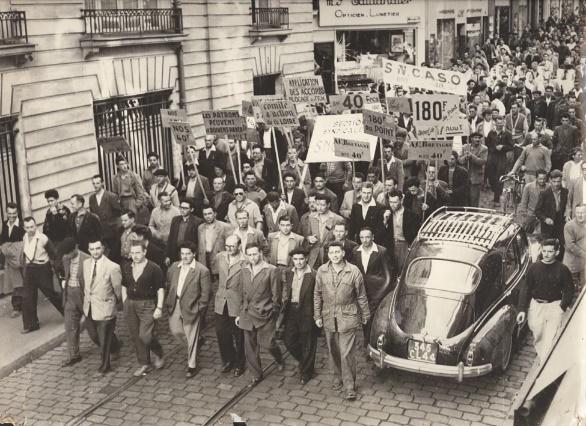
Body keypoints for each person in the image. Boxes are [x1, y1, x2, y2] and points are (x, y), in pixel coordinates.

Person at [314, 241, 370, 401]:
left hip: (348, 316)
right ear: (328, 254)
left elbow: (361, 295)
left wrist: (365, 314)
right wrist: (317, 316)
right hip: (328, 315)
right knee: (333, 350)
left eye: (337, 252)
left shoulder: (353, 271)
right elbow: (317, 295)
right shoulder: (322, 271)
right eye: (331, 253)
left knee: (346, 353)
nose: (334, 255)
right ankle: (337, 377)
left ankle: (349, 386)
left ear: (343, 253)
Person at [60, 238, 114, 367]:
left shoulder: (88, 260)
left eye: (69, 253)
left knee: (94, 331)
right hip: (70, 296)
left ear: (76, 247)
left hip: (85, 297)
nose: (67, 256)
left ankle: (113, 345)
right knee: (70, 326)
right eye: (66, 254)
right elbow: (65, 273)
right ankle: (74, 355)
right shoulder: (65, 258)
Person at [518, 238, 573, 363]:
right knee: (538, 334)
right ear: (541, 251)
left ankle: (544, 363)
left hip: (554, 306)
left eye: (550, 251)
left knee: (551, 337)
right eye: (544, 251)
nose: (547, 254)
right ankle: (543, 357)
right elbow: (525, 289)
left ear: (557, 252)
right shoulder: (533, 268)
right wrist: (522, 310)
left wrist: (562, 307)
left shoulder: (562, 269)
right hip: (536, 307)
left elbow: (569, 289)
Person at [236, 243, 284, 384]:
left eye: (255, 254)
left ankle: (278, 357)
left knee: (268, 343)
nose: (252, 257)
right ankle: (256, 374)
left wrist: (273, 312)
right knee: (249, 346)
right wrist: (240, 312)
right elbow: (241, 292)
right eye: (249, 254)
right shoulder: (244, 270)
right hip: (247, 312)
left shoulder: (271, 270)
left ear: (261, 253)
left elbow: (276, 295)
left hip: (265, 313)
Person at [166, 241, 211, 378]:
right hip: (175, 303)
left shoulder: (201, 270)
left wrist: (199, 308)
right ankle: (197, 343)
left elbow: (206, 294)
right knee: (176, 331)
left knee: (191, 336)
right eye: (182, 253)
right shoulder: (174, 267)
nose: (184, 257)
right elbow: (169, 283)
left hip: (191, 307)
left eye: (188, 254)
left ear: (194, 254)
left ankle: (192, 365)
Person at [122, 241, 166, 377]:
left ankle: (159, 353)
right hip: (130, 304)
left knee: (145, 335)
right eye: (132, 253)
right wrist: (125, 301)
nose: (135, 256)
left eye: (138, 252)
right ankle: (144, 363)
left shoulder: (154, 268)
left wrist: (159, 307)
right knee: (136, 336)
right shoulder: (127, 267)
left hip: (147, 304)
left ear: (145, 252)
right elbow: (124, 285)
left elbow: (160, 289)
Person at [81, 238, 122, 373]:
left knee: (104, 337)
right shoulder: (86, 264)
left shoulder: (112, 267)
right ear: (88, 250)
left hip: (105, 306)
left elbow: (117, 289)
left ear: (103, 249)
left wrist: (115, 302)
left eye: (98, 248)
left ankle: (105, 365)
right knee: (94, 335)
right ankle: (115, 346)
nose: (95, 252)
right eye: (92, 249)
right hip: (90, 307)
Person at [21, 216, 63, 333]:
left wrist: (56, 269)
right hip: (30, 269)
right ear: (24, 228)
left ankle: (70, 313)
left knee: (51, 293)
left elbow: (54, 254)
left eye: (32, 226)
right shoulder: (24, 237)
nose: (31, 229)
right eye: (28, 227)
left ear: (36, 226)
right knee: (28, 296)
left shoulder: (43, 238)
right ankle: (32, 324)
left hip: (42, 269)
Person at [282, 248, 318, 384]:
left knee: (308, 342)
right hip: (292, 310)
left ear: (307, 258)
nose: (298, 262)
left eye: (301, 259)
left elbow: (318, 296)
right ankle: (304, 360)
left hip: (307, 312)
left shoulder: (314, 275)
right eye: (295, 259)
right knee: (289, 340)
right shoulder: (288, 273)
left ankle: (306, 372)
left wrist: (316, 315)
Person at [352, 228, 391, 350]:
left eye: (367, 237)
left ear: (373, 237)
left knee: (373, 318)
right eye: (362, 237)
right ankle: (367, 341)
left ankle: (371, 344)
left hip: (377, 291)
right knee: (365, 316)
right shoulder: (355, 251)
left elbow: (389, 276)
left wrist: (381, 294)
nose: (365, 240)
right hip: (362, 291)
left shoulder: (381, 251)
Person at [215, 235, 246, 377]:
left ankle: (240, 363)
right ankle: (228, 359)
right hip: (221, 300)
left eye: (232, 246)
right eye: (227, 246)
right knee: (221, 332)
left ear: (239, 246)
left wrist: (244, 305)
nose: (229, 249)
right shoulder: (220, 257)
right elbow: (217, 275)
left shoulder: (245, 261)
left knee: (238, 335)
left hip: (237, 301)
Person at [304, 194, 343, 268]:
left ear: (328, 205)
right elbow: (308, 235)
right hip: (314, 255)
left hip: (330, 255)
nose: (319, 207)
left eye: (322, 205)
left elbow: (340, 239)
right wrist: (309, 239)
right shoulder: (311, 218)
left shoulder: (337, 219)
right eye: (317, 204)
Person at [89, 175, 122, 260]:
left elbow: (118, 213)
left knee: (115, 255)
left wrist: (114, 227)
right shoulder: (92, 198)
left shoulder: (111, 196)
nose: (95, 185)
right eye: (93, 183)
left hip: (111, 232)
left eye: (97, 183)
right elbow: (93, 214)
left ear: (102, 183)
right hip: (99, 232)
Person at [0, 203, 25, 316]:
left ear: (17, 213)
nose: (12, 216)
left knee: (20, 283)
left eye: (14, 213)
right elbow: (2, 239)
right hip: (9, 259)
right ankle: (17, 306)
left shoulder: (22, 225)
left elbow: (24, 242)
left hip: (19, 258)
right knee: (13, 283)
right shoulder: (5, 224)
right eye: (9, 213)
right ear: (7, 213)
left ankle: (22, 306)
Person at [387, 190, 421, 271]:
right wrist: (385, 221)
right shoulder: (387, 213)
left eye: (395, 202)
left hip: (405, 246)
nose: (392, 205)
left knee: (404, 270)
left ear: (401, 200)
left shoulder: (411, 215)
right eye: (390, 202)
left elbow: (416, 234)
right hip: (391, 246)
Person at [486, 116, 514, 207]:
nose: (499, 125)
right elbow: (487, 144)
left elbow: (511, 146)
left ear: (503, 123)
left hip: (501, 157)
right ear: (495, 123)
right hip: (492, 157)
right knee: (491, 176)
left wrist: (503, 147)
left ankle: (496, 198)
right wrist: (494, 148)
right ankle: (495, 191)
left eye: (501, 123)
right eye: (498, 123)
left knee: (500, 177)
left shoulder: (507, 134)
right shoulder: (491, 133)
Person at [197, 205, 231, 278]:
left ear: (215, 214)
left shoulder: (224, 226)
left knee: (218, 281)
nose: (207, 216)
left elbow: (230, 245)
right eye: (205, 214)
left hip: (218, 258)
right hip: (204, 259)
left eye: (209, 213)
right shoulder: (200, 228)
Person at [535, 170, 568, 245]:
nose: (556, 184)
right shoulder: (544, 193)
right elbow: (537, 211)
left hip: (561, 225)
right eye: (554, 181)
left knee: (561, 247)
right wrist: (545, 219)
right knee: (548, 247)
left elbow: (568, 206)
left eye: (558, 181)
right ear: (550, 181)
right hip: (548, 227)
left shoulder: (566, 192)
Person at [165, 199, 202, 265]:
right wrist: (168, 255)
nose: (182, 210)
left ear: (192, 209)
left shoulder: (198, 222)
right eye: (181, 207)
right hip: (175, 253)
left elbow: (198, 242)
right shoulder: (175, 220)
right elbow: (171, 238)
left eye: (185, 208)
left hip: (188, 254)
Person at [111, 156, 147, 221]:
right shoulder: (115, 178)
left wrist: (137, 205)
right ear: (117, 166)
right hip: (122, 203)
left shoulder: (133, 176)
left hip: (132, 201)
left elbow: (140, 192)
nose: (124, 166)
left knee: (134, 222)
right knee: (125, 224)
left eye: (125, 163)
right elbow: (115, 194)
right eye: (121, 164)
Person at [459, 132, 488, 207]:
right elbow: (460, 161)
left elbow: (482, 161)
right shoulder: (465, 147)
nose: (477, 139)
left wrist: (472, 156)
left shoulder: (484, 149)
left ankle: (473, 214)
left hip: (475, 178)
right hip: (465, 177)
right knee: (465, 198)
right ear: (471, 139)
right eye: (475, 138)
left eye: (479, 138)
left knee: (474, 199)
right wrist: (465, 156)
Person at [562, 204, 586, 294]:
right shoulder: (569, 226)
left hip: (583, 265)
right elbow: (571, 246)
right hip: (572, 265)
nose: (580, 215)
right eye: (578, 212)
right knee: (571, 291)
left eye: (583, 212)